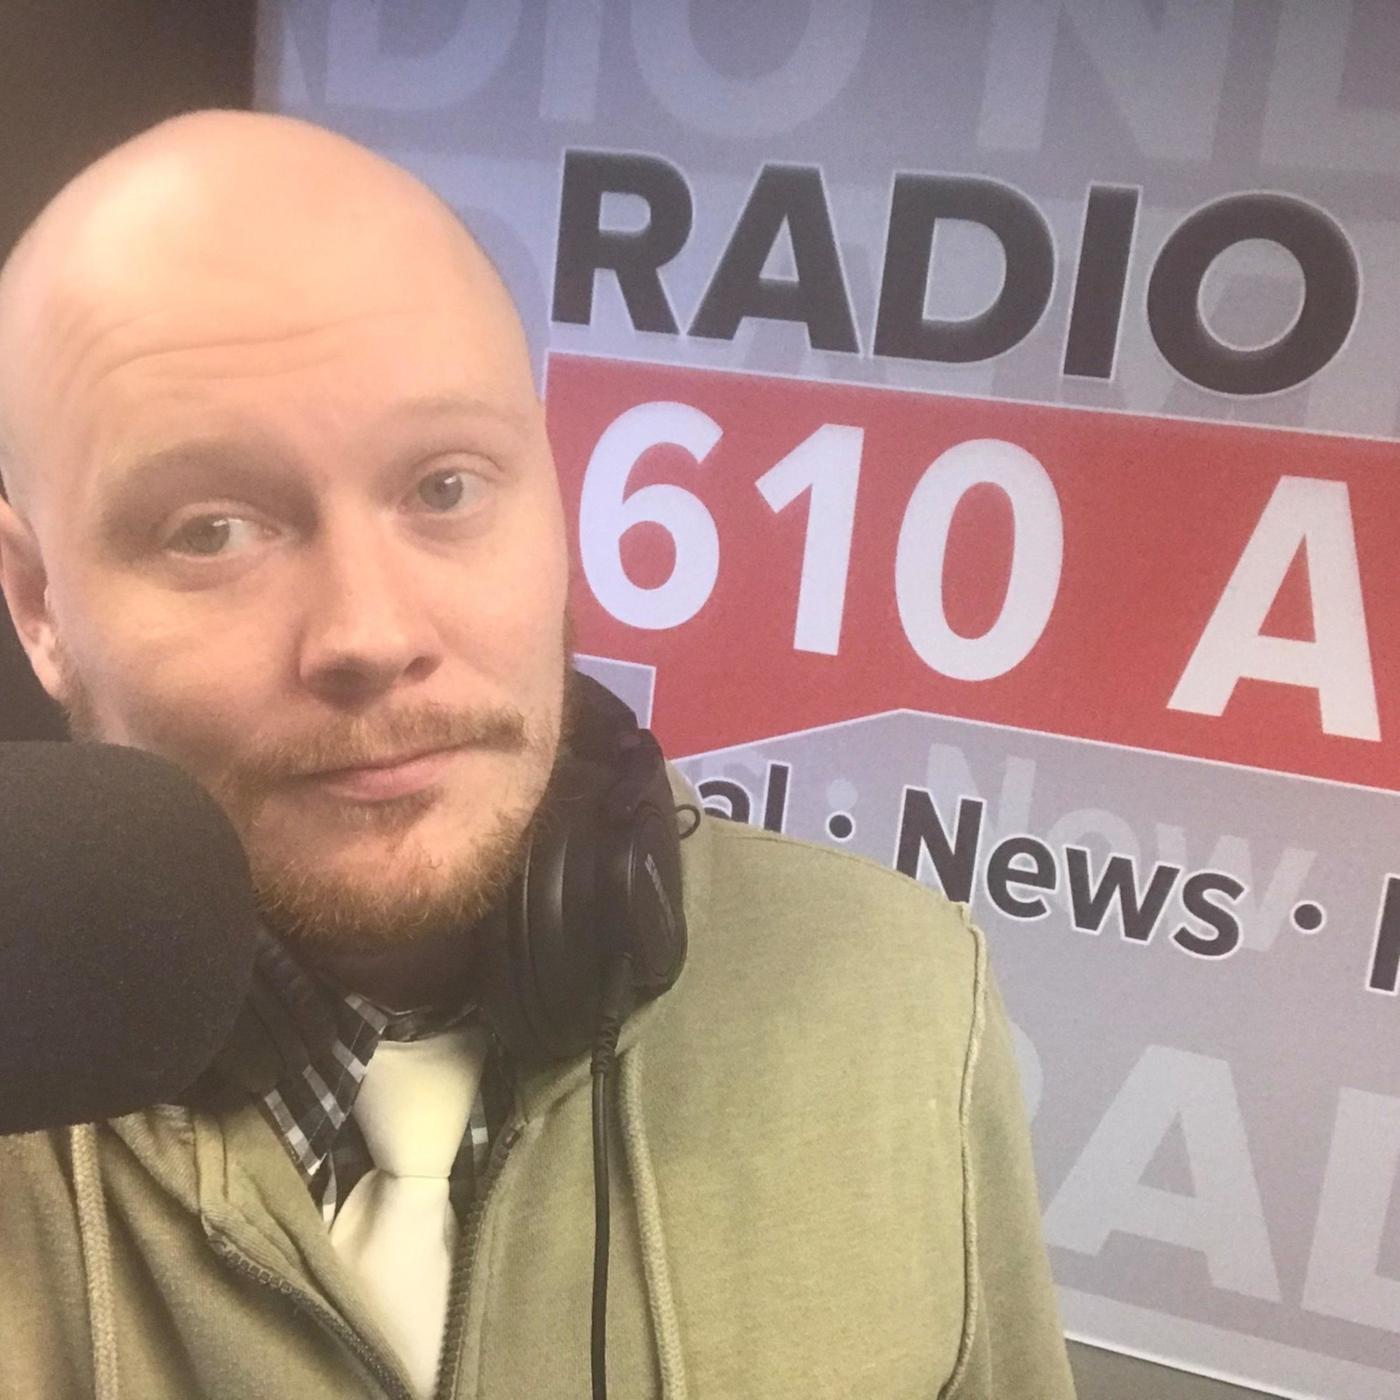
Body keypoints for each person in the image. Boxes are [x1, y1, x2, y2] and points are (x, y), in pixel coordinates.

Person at [0, 110, 1076, 1399]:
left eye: (446, 487)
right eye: (212, 529)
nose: (373, 633)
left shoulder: (905, 1002)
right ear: (39, 604)